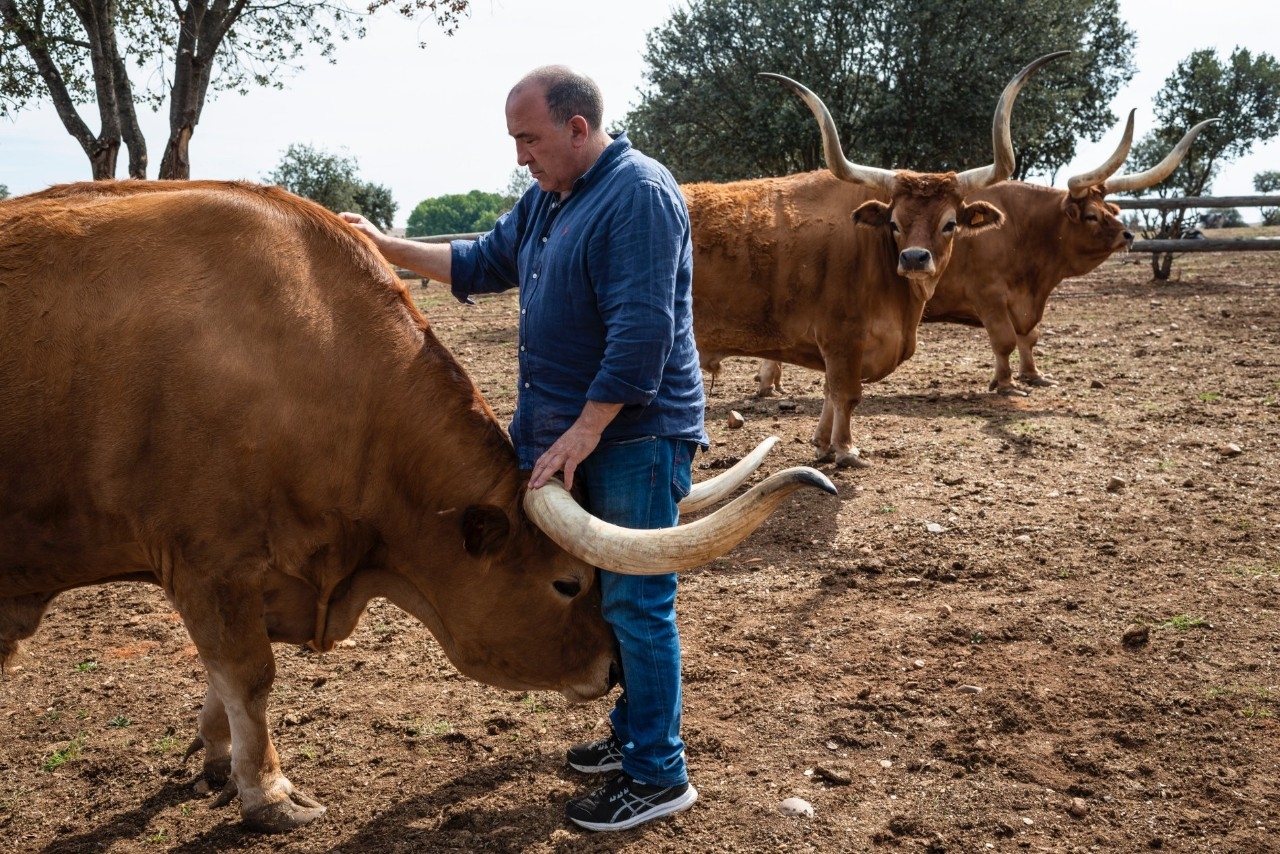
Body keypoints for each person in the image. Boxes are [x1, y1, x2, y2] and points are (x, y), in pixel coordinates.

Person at [340, 64, 707, 833]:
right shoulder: (550, 200)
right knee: (607, 593)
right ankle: (632, 736)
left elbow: (645, 337)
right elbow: (477, 263)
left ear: (579, 128)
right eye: (515, 141)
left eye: (529, 139)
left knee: (640, 602)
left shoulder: (637, 194)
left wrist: (582, 432)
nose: (520, 157)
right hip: (574, 441)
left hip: (632, 436)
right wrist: (380, 246)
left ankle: (659, 771)